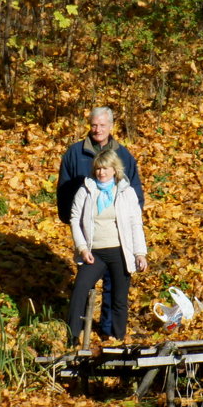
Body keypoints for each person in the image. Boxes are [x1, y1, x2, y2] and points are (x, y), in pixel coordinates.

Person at [58, 107, 145, 336]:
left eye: (102, 125)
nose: (97, 129)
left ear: (111, 126)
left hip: (118, 243)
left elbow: (134, 200)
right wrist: (79, 239)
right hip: (91, 241)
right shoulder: (75, 153)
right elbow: (65, 191)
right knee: (82, 289)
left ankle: (110, 335)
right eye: (94, 125)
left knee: (115, 293)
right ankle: (75, 335)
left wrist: (137, 248)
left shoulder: (124, 155)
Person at [67, 150, 148, 343]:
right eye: (98, 168)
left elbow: (136, 223)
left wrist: (140, 253)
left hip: (120, 252)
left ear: (115, 169)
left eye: (106, 168)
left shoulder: (126, 192)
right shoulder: (86, 190)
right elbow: (75, 219)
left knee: (119, 299)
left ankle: (117, 337)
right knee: (80, 289)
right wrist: (83, 248)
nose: (101, 172)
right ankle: (72, 336)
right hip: (94, 253)